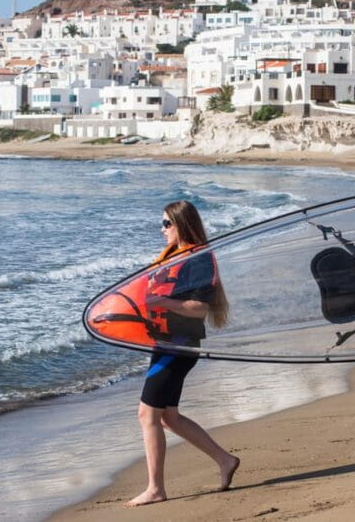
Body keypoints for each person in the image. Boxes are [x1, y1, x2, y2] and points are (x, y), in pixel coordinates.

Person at [125, 200, 240, 507]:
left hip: (179, 346)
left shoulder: (197, 260)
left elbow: (200, 308)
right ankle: (225, 460)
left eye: (166, 224)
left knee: (147, 413)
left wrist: (162, 304)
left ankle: (155, 489)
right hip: (164, 344)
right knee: (168, 417)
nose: (161, 230)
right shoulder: (173, 256)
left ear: (181, 224)